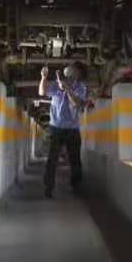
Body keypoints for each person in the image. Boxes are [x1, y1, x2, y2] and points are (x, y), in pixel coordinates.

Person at [38, 62, 88, 198]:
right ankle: (48, 187)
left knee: (75, 160)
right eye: (70, 71)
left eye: (74, 72)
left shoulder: (80, 87)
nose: (71, 74)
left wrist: (66, 89)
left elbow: (76, 103)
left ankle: (77, 186)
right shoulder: (56, 85)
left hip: (72, 129)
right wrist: (43, 77)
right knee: (52, 159)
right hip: (56, 128)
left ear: (77, 75)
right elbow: (42, 92)